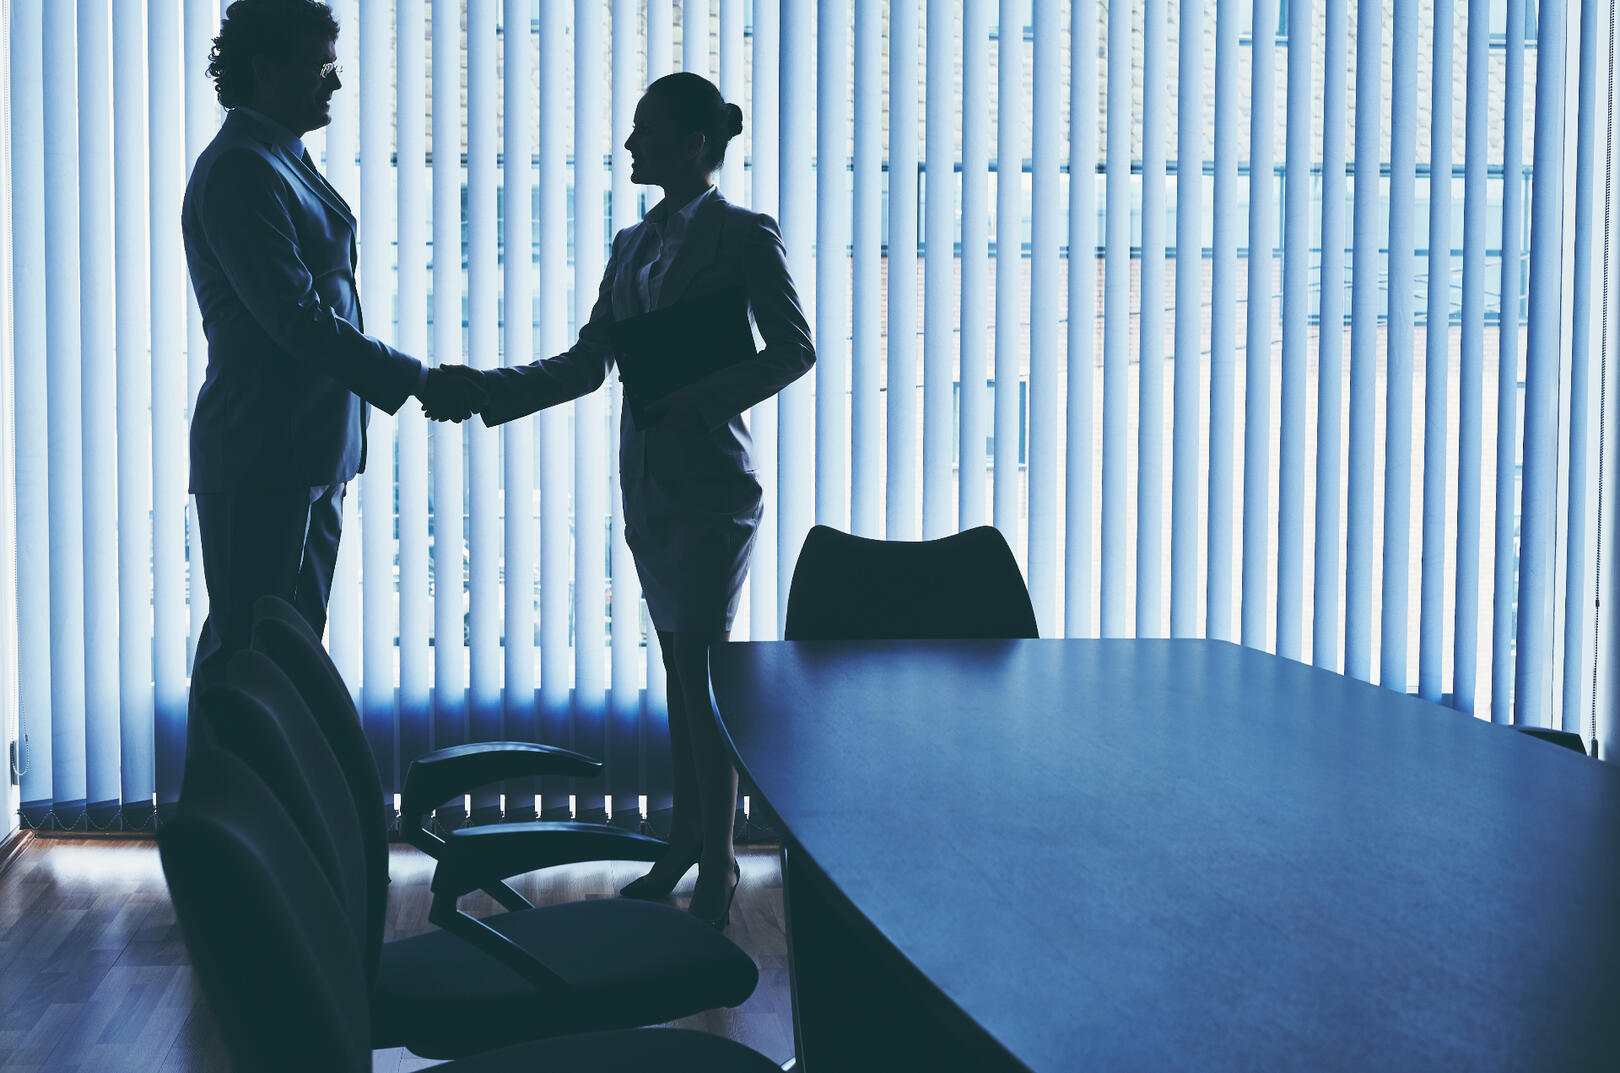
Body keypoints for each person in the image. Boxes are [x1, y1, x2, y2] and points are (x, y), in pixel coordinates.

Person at [435, 73, 814, 928]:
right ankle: (685, 842)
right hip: (648, 486)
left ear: (691, 144)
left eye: (645, 130)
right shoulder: (630, 244)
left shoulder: (745, 234)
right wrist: (484, 391)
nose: (630, 144)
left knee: (700, 681)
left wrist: (704, 394)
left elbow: (795, 350)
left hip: (714, 486)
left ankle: (714, 867)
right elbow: (586, 363)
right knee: (682, 680)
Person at [182, 0, 484, 724]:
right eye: (322, 68)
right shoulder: (239, 172)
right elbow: (297, 321)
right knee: (249, 658)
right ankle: (224, 829)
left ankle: (268, 822)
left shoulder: (280, 158)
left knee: (282, 655)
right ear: (265, 68)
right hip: (261, 454)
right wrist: (416, 378)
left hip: (309, 453)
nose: (337, 85)